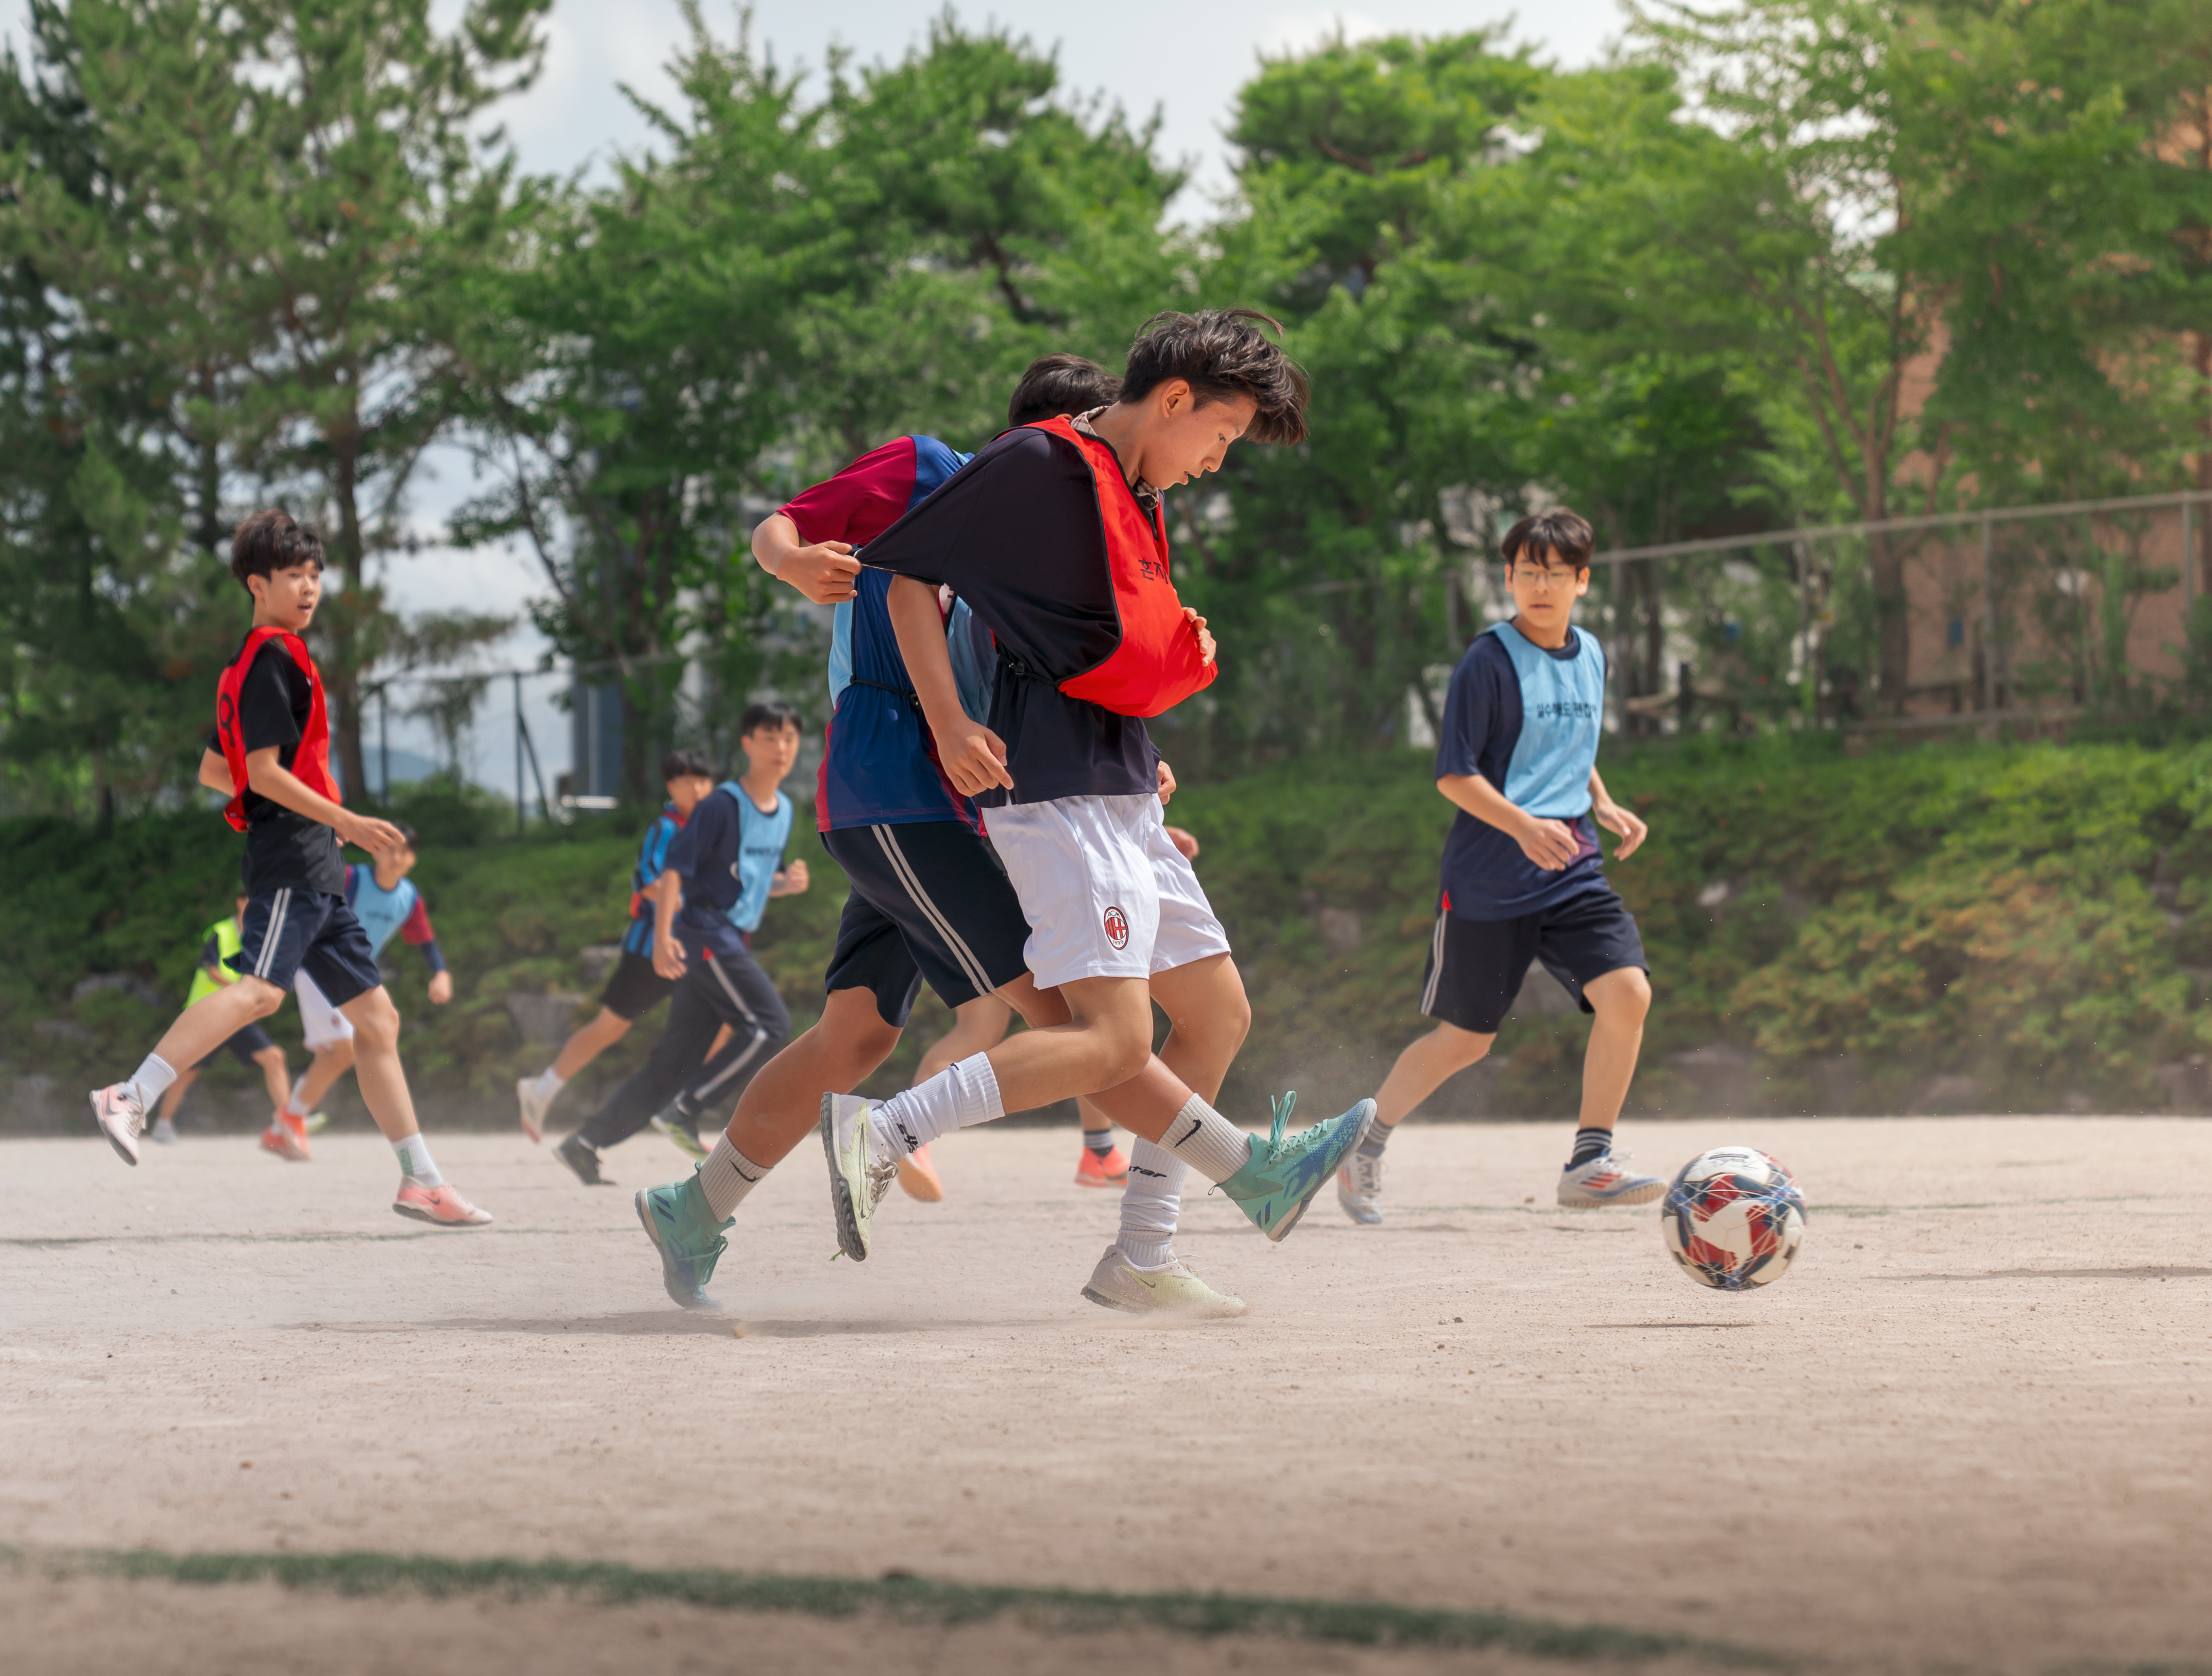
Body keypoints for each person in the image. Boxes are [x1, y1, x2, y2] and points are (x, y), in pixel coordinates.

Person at [636, 314, 1369, 1313]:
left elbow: (1075, 663)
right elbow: (799, 531)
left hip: (965, 801)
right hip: (903, 790)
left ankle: (693, 1209)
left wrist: (1137, 775)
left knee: (850, 1040)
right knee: (1076, 1026)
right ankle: (1241, 1178)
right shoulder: (967, 474)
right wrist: (792, 566)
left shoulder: (1086, 520)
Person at [86, 509, 491, 1227]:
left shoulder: (249, 664)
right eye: (292, 576)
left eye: (315, 575)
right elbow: (263, 772)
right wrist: (341, 819)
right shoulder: (274, 659)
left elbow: (219, 769)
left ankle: (421, 1179)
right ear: (256, 584)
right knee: (258, 994)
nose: (308, 588)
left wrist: (304, 814)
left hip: (316, 863)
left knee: (378, 1019)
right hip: (294, 857)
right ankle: (131, 1094)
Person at [1334, 509, 1657, 1226]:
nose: (1538, 585)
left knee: (1627, 992)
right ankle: (1365, 1141)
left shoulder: (1591, 652)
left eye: (1554, 573)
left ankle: (1589, 1161)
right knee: (1465, 1040)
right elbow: (1454, 774)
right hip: (1489, 875)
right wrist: (1521, 825)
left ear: (1582, 580)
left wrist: (1598, 800)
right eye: (1525, 571)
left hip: (1570, 863)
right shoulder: (1486, 660)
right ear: (1508, 577)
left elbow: (1565, 741)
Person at [898, 793, 1209, 1197]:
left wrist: (1147, 835)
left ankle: (1096, 1151)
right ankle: (903, 1128)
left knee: (1074, 1025)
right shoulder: (993, 757)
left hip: (994, 880)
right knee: (1085, 1024)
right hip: (1003, 892)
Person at [554, 703, 809, 1182]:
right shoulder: (721, 804)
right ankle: (686, 1108)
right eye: (769, 737)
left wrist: (785, 885)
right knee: (768, 1024)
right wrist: (663, 937)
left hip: (727, 934)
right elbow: (674, 869)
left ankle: (585, 1141)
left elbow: (750, 879)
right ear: (747, 743)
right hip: (703, 932)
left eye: (790, 738)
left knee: (674, 1058)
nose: (781, 748)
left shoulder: (785, 809)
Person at [515, 751, 718, 1144]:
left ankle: (682, 1107)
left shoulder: (707, 830)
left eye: (704, 780)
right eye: (687, 780)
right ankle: (540, 1090)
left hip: (693, 950)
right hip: (651, 948)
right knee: (611, 1026)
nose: (697, 788)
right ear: (670, 785)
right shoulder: (666, 827)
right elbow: (647, 881)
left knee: (725, 1019)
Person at [275, 822, 454, 1160]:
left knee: (338, 1053)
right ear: (375, 849)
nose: (396, 857)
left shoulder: (409, 897)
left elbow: (426, 941)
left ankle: (288, 1120)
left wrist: (440, 973)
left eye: (405, 851)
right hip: (319, 966)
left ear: (414, 858)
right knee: (345, 1049)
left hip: (353, 977)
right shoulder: (352, 878)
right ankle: (291, 1118)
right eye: (389, 848)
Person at [150, 894, 293, 1146]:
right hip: (210, 1014)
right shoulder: (221, 932)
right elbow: (212, 970)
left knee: (274, 1057)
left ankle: (289, 1122)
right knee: (187, 1071)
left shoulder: (259, 937)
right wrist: (242, 990)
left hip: (238, 1013)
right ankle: (162, 1124)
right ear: (240, 902)